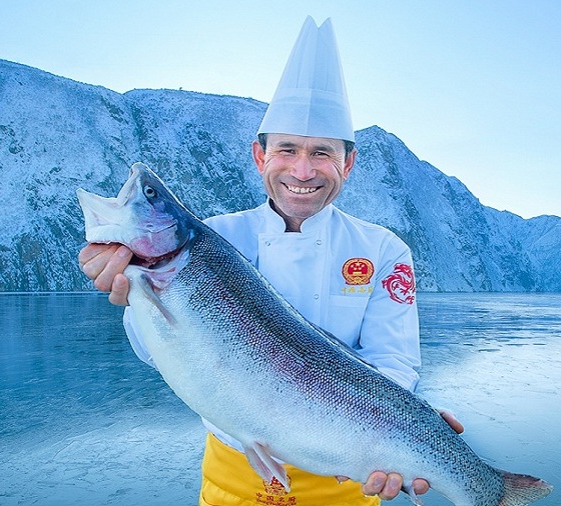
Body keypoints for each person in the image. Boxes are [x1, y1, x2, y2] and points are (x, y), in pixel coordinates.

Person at [79, 16, 463, 505]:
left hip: (350, 476)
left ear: (348, 163)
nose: (302, 170)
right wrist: (130, 294)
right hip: (232, 478)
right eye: (287, 150)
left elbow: (394, 362)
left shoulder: (384, 250)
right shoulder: (217, 237)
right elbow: (160, 351)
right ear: (260, 156)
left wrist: (411, 428)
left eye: (322, 153)